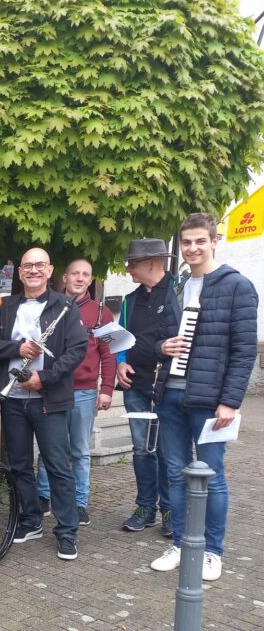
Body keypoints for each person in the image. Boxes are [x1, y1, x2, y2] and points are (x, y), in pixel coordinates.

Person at [150, 212, 258, 581]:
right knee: (176, 475)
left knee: (212, 476)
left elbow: (244, 351)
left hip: (211, 401)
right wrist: (162, 347)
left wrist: (230, 401)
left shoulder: (237, 286)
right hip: (171, 396)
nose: (192, 248)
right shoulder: (177, 287)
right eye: (187, 242)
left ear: (214, 241)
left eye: (200, 241)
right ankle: (181, 544)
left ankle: (212, 551)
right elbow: (160, 338)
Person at [0, 247, 88, 561]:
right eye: (28, 265)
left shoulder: (65, 306)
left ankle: (67, 532)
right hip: (13, 399)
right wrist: (18, 348)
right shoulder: (6, 306)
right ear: (20, 272)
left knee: (57, 466)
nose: (34, 270)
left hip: (48, 399)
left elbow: (76, 349)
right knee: (20, 465)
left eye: (40, 265)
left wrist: (45, 378)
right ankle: (30, 521)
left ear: (50, 270)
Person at [37, 258, 116, 525]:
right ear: (65, 277)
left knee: (81, 451)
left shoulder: (101, 313)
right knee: (49, 447)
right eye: (75, 274)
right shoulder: (50, 306)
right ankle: (43, 495)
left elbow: (108, 353)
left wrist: (107, 389)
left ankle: (79, 502)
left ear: (90, 280)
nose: (80, 279)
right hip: (53, 388)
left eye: (85, 275)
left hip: (84, 391)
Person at [117, 238, 178, 536]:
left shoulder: (179, 292)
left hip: (168, 386)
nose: (128, 269)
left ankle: (170, 509)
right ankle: (145, 507)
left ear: (152, 263)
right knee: (142, 451)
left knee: (167, 451)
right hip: (136, 386)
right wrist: (120, 363)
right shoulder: (129, 300)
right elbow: (121, 337)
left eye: (133, 264)